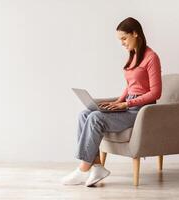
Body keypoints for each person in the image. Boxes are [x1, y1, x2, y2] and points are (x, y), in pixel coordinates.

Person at [62, 17, 162, 187]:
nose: (122, 43)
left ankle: (83, 169)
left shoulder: (151, 57)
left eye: (124, 38)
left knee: (95, 118)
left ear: (135, 33)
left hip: (141, 111)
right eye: (120, 40)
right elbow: (131, 86)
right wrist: (118, 101)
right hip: (128, 105)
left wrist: (127, 104)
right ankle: (97, 166)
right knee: (84, 114)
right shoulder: (133, 56)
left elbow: (156, 92)